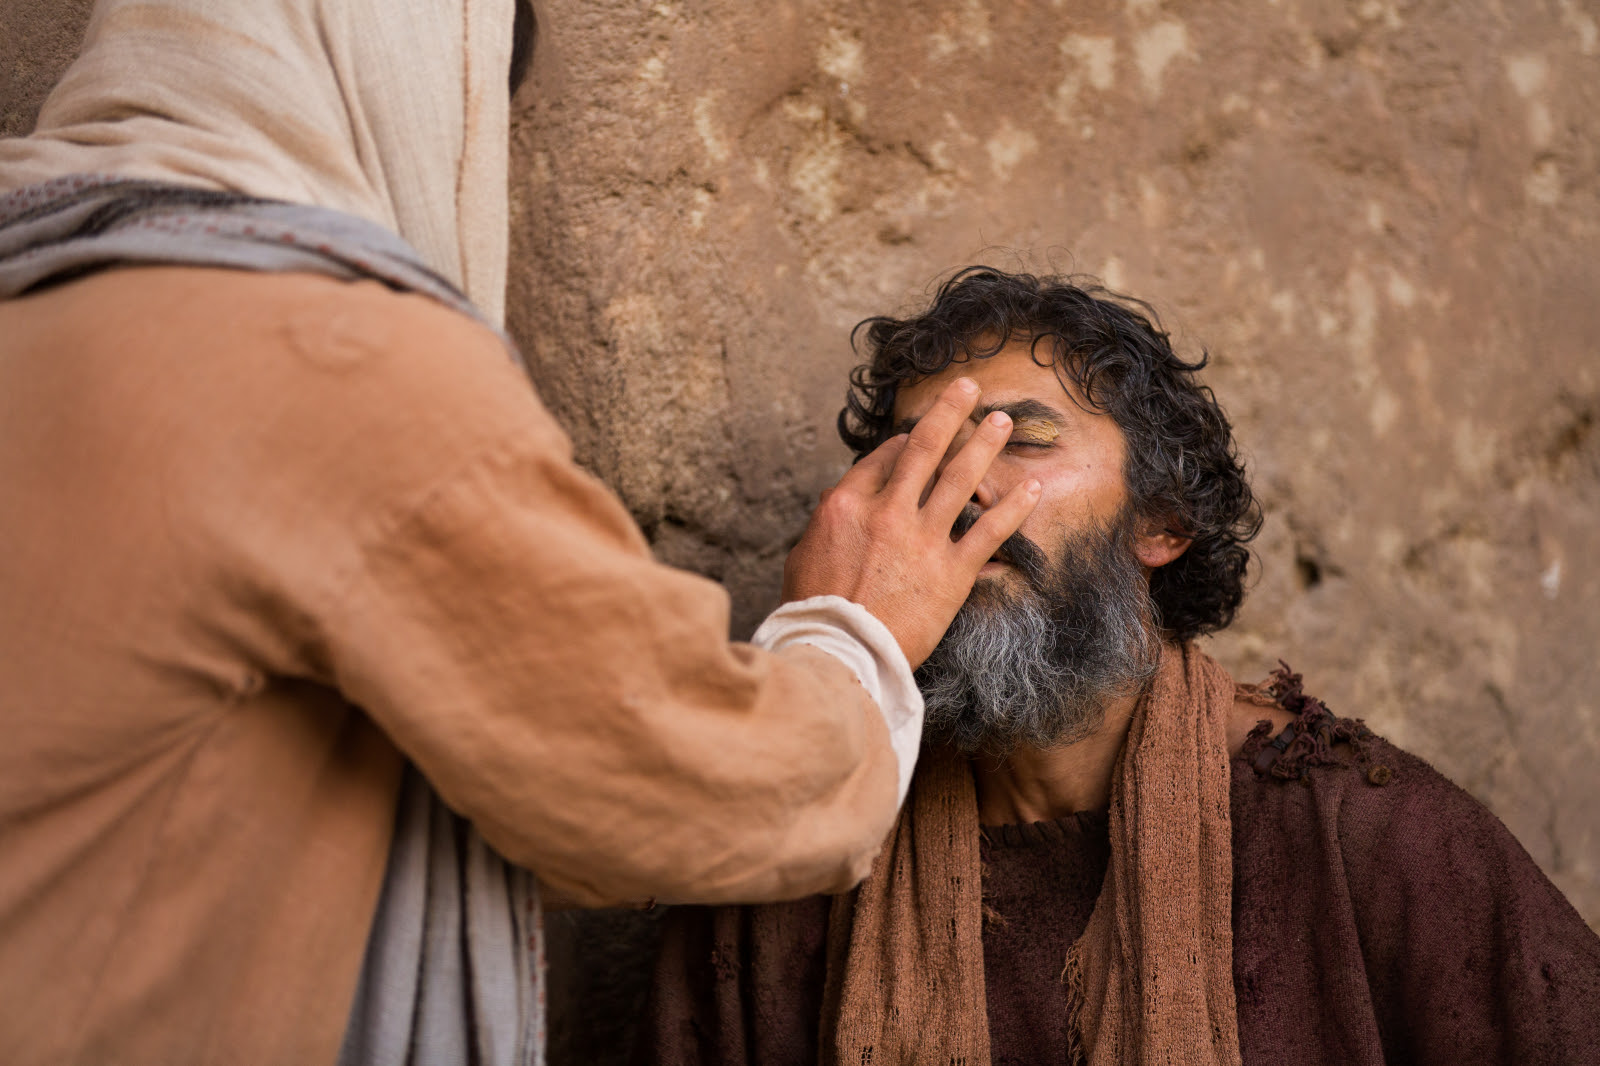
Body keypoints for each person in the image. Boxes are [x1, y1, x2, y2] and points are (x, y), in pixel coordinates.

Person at [0, 4, 1044, 1064]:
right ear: (414, 81)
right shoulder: (327, 355)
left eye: (1024, 438)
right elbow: (647, 775)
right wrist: (854, 637)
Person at [639, 267, 1600, 1066]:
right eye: (917, 458)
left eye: (1021, 438)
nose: (958, 490)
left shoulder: (1362, 833)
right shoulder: (797, 842)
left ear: (1163, 520)